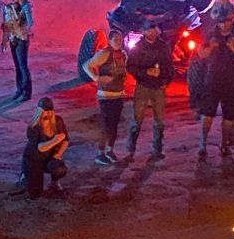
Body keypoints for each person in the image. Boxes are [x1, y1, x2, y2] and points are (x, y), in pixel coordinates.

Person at [189, 11, 234, 158]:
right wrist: (211, 47)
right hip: (212, 81)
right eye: (221, 22)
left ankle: (224, 144)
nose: (224, 25)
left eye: (227, 21)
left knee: (229, 116)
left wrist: (233, 48)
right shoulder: (211, 35)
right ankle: (202, 144)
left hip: (232, 83)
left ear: (232, 21)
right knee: (207, 114)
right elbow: (201, 54)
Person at [81, 27, 130, 165]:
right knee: (106, 125)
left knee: (114, 125)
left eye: (120, 40)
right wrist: (97, 78)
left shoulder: (123, 55)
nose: (118, 42)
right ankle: (100, 153)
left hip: (118, 95)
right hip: (106, 96)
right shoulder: (104, 54)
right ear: (109, 40)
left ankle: (110, 150)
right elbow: (86, 65)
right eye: (116, 40)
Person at [125, 22, 174, 159]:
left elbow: (169, 66)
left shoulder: (163, 46)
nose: (151, 33)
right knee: (137, 119)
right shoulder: (138, 47)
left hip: (159, 87)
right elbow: (131, 67)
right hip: (143, 86)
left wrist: (166, 81)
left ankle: (157, 149)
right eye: (148, 30)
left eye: (153, 30)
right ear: (143, 31)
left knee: (159, 121)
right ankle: (130, 150)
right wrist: (146, 72)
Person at [21, 97, 69, 197]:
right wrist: (55, 140)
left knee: (59, 169)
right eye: (44, 112)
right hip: (34, 159)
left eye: (49, 111)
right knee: (35, 193)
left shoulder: (58, 121)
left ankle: (55, 182)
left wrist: (58, 154)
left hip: (49, 157)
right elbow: (40, 148)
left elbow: (65, 140)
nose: (47, 114)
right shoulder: (33, 126)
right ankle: (25, 174)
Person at [3, 0, 35, 102]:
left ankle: (27, 92)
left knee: (22, 65)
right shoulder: (12, 7)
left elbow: (30, 23)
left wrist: (21, 26)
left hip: (22, 38)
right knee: (17, 65)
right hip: (14, 38)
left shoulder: (26, 6)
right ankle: (19, 89)